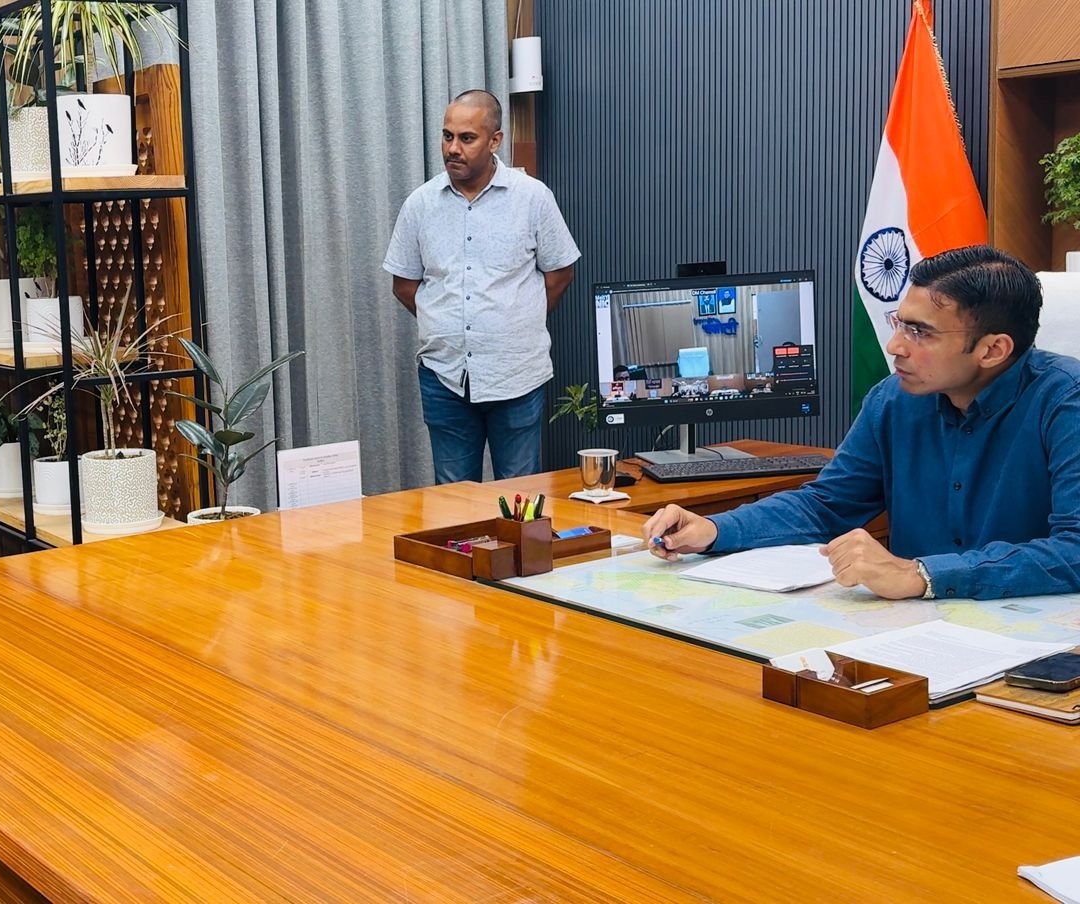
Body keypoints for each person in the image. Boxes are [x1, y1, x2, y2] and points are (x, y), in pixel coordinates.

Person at [643, 245, 1080, 601]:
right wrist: (716, 529)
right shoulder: (893, 399)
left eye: (920, 332)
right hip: (914, 628)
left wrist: (922, 574)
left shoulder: (1065, 401)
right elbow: (827, 506)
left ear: (993, 350)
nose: (895, 346)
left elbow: (1074, 550)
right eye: (899, 324)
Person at [384, 88, 580, 483]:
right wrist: (446, 321)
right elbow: (404, 284)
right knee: (454, 500)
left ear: (495, 141)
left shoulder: (532, 198)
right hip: (445, 377)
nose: (453, 149)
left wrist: (516, 320)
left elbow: (560, 274)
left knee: (521, 498)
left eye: (467, 138)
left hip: (517, 376)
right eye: (447, 136)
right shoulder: (421, 204)